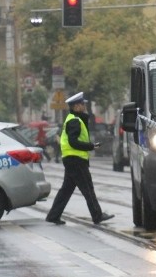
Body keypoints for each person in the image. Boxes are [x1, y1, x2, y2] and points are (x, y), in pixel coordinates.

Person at [45, 92, 114, 226]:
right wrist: (91, 146)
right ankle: (97, 215)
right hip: (76, 160)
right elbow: (73, 142)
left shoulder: (74, 119)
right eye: (83, 104)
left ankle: (53, 215)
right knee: (88, 188)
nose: (85, 106)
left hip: (72, 159)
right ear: (76, 106)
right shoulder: (75, 121)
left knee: (66, 190)